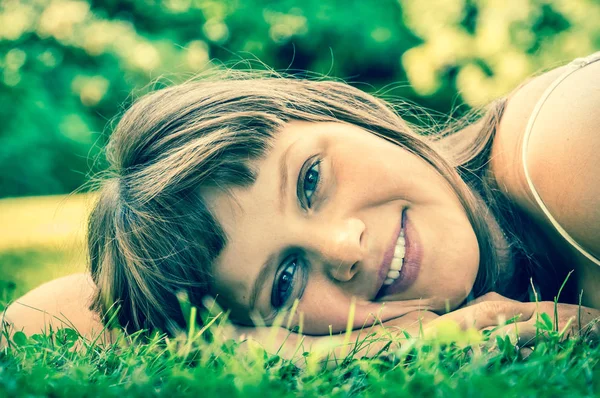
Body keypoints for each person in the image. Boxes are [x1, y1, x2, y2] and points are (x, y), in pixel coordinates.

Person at [4, 52, 600, 353]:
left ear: (333, 109)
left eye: (310, 181)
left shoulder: (565, 148)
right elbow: (32, 328)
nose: (344, 247)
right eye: (285, 280)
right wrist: (341, 348)